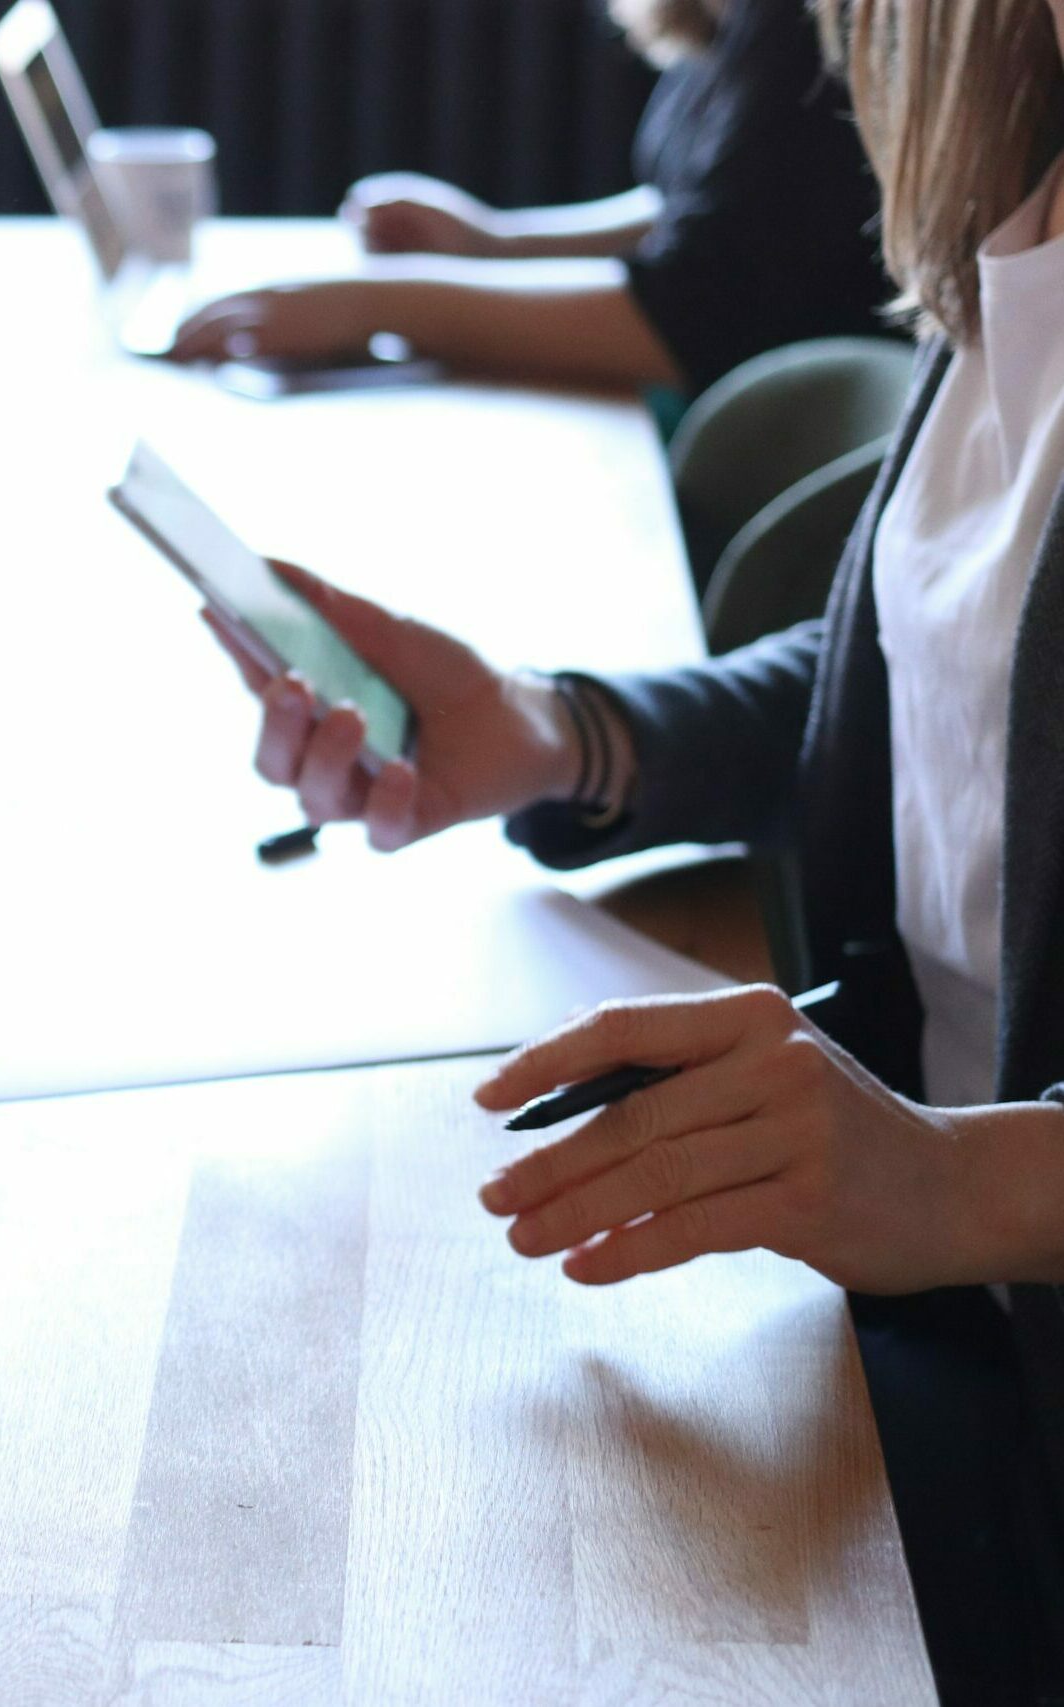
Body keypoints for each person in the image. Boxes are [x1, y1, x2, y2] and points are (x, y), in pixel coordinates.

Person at [202, 1, 1064, 1699]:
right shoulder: (1018, 188)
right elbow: (938, 652)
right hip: (916, 1317)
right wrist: (553, 731)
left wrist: (953, 1181)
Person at [169, 0, 890, 397]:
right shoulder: (741, 19)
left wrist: (374, 305)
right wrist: (497, 242)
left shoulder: (805, 28)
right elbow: (705, 211)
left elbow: (690, 315)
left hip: (750, 465)